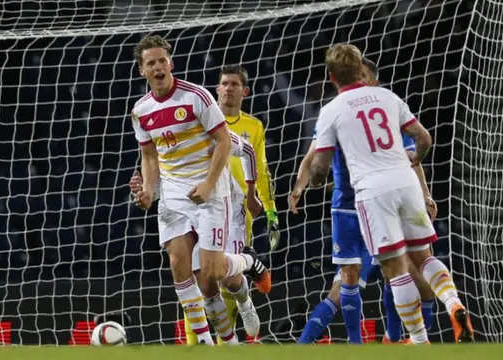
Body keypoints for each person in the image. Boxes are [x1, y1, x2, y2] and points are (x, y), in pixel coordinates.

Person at [309, 43, 473, 344]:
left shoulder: (331, 110)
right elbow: (423, 138)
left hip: (373, 192)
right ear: (361, 70)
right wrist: (415, 159)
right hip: (406, 182)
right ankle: (453, 302)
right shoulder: (388, 97)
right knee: (423, 257)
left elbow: (319, 164)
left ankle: (419, 342)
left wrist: (316, 181)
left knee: (395, 269)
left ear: (331, 77)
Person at [129, 35, 271, 345]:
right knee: (180, 266)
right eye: (150, 63)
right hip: (174, 197)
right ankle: (215, 345)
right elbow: (150, 155)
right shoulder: (140, 111)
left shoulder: (197, 97)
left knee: (213, 275)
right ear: (142, 71)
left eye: (162, 61)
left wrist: (209, 184)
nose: (158, 67)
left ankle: (248, 261)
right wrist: (150, 190)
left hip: (211, 192)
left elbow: (224, 142)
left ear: (171, 64)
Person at [289, 57, 438, 343]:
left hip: (377, 203)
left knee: (395, 271)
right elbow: (311, 158)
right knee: (350, 277)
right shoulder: (335, 114)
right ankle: (361, 344)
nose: (363, 80)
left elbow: (413, 160)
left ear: (373, 80)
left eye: (366, 75)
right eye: (359, 74)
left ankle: (397, 338)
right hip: (346, 205)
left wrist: (425, 194)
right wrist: (298, 187)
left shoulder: (384, 108)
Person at [130, 129, 263, 343]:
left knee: (226, 278)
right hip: (186, 211)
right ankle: (230, 345)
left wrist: (251, 192)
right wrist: (142, 191)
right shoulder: (158, 144)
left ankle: (245, 295)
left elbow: (247, 148)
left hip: (223, 203)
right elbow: (155, 188)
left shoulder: (205, 125)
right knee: (206, 284)